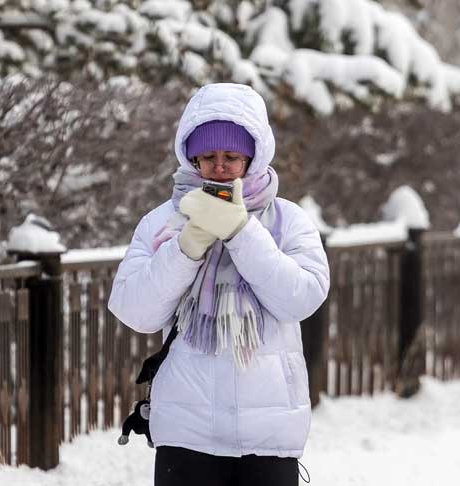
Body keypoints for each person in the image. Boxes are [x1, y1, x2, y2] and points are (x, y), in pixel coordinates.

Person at [108, 83, 330, 486]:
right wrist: (186, 247)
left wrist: (241, 231)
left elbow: (301, 298)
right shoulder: (162, 223)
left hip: (269, 432)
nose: (220, 167)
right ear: (192, 158)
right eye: (208, 157)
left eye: (232, 157)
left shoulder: (288, 221)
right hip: (187, 431)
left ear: (254, 157)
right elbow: (134, 309)